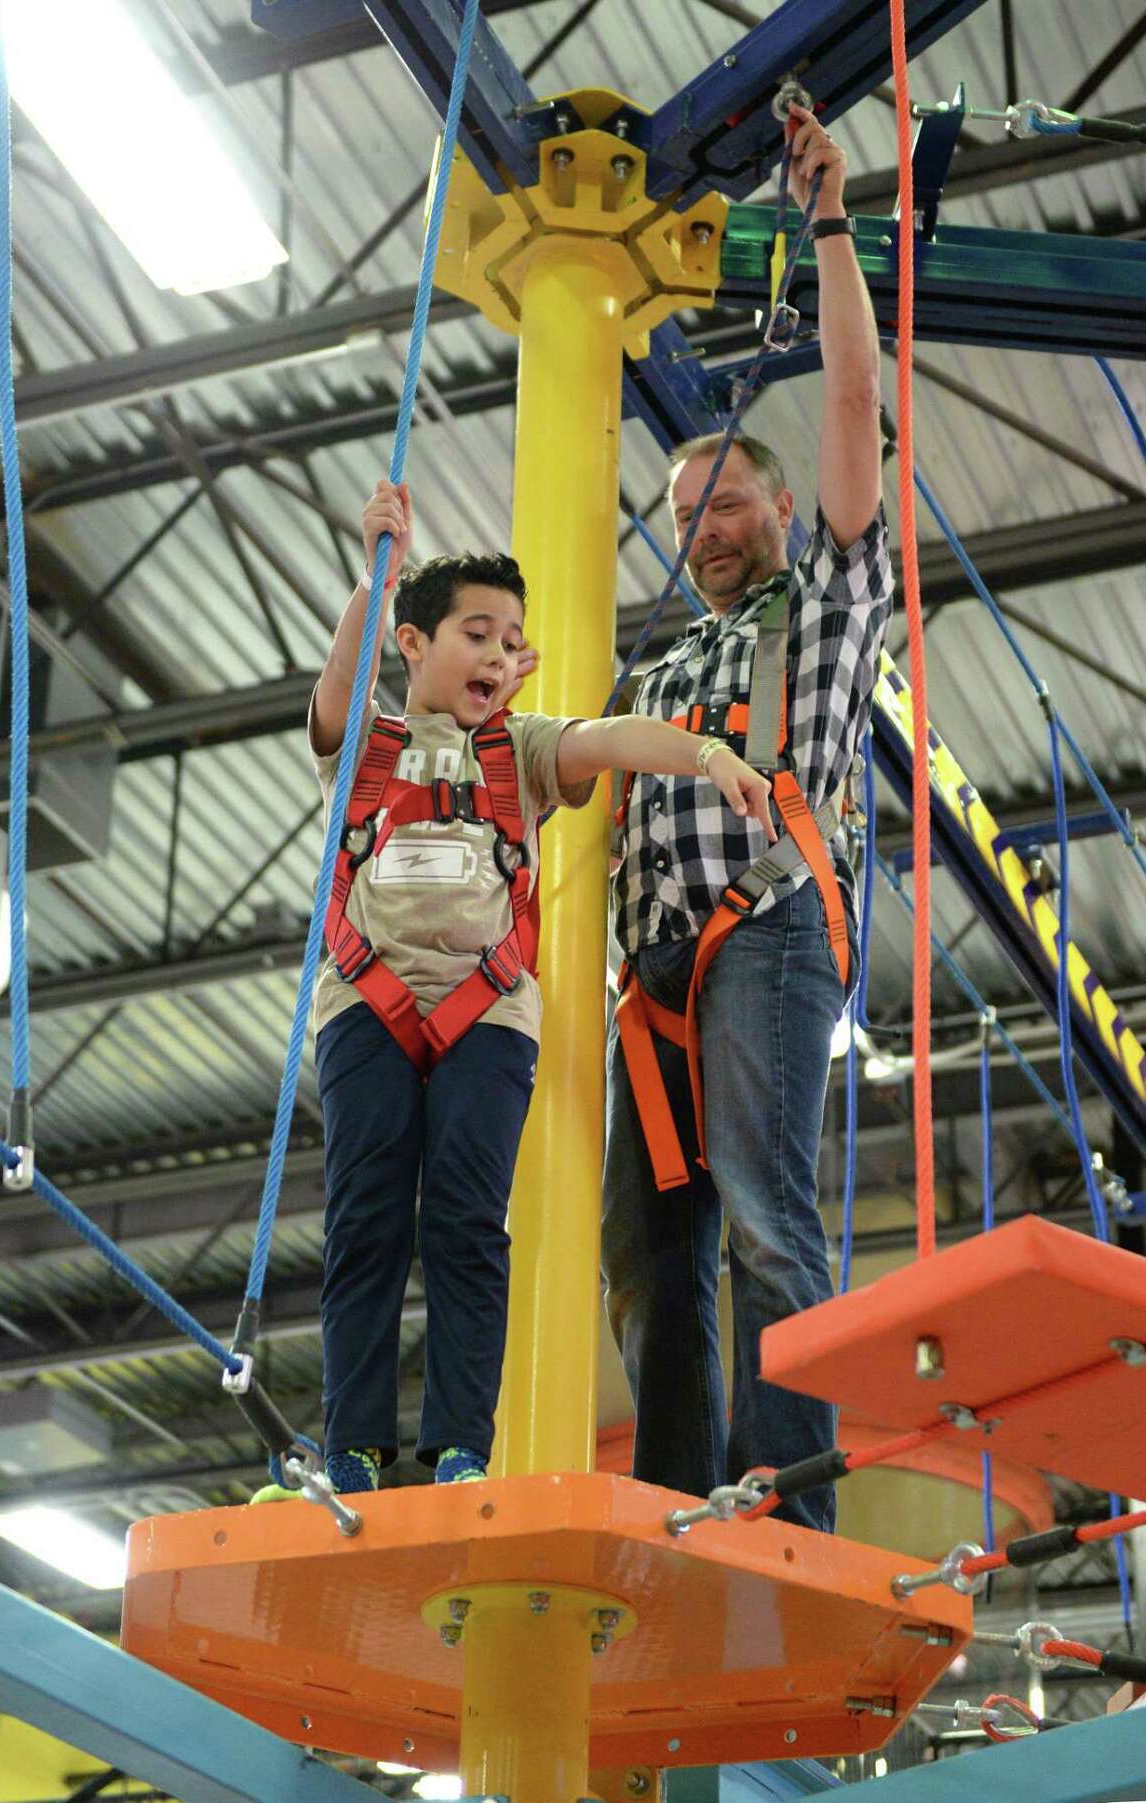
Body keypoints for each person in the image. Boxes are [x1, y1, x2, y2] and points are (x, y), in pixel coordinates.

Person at [280, 479, 778, 1495]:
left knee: (466, 1220)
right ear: (413, 645)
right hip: (366, 1005)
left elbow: (615, 739)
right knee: (366, 1217)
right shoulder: (367, 748)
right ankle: (353, 1450)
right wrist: (369, 586)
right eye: (476, 635)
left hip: (487, 1016)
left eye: (513, 642)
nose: (500, 657)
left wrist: (708, 755)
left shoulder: (526, 748)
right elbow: (334, 697)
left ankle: (463, 1445)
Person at [601, 105, 894, 1532]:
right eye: (679, 511)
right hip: (652, 979)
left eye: (723, 497)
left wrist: (829, 225)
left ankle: (786, 1512)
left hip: (771, 925)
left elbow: (851, 403)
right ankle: (677, 1510)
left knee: (769, 1219)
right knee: (653, 1252)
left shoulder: (823, 603)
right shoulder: (651, 669)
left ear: (780, 504)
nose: (701, 523)